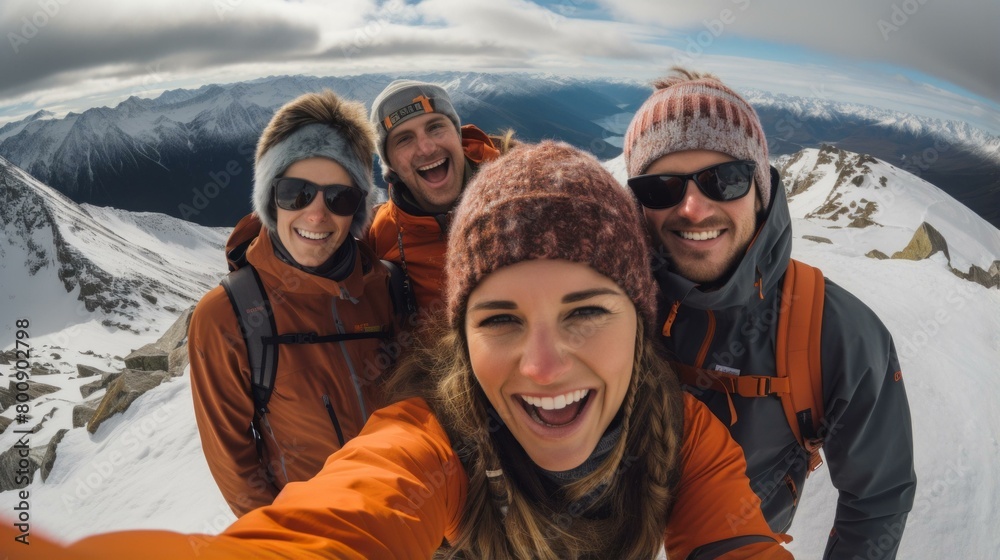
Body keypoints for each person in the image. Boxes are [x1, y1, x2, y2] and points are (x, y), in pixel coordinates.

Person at [7, 141, 792, 559]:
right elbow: (333, 528)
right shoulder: (434, 439)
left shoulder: (684, 435)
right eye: (501, 320)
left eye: (586, 311)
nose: (544, 366)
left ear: (641, 316)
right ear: (460, 333)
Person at [623, 68, 916, 559]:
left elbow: (878, 498)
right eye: (661, 188)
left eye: (726, 179)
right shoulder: (606, 300)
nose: (694, 208)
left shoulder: (837, 332)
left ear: (760, 190)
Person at [187, 90, 398, 516]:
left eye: (340, 198)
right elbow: (234, 464)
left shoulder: (388, 286)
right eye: (296, 192)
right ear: (269, 198)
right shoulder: (227, 317)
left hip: (411, 523)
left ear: (358, 209)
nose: (317, 215)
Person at [366, 79, 514, 313]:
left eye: (435, 127)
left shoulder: (525, 193)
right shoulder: (380, 233)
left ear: (457, 135)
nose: (426, 148)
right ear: (391, 165)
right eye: (404, 139)